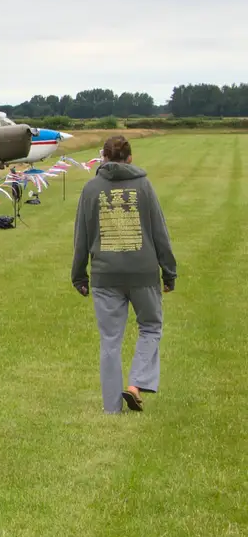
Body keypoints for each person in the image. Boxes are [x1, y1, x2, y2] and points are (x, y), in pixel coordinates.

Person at [71, 134, 176, 413]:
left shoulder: (91, 189)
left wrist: (79, 275)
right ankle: (136, 384)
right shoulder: (143, 185)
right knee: (151, 328)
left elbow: (81, 237)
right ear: (129, 158)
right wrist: (169, 271)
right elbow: (159, 232)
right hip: (143, 272)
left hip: (106, 276)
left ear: (103, 158)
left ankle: (111, 408)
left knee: (110, 341)